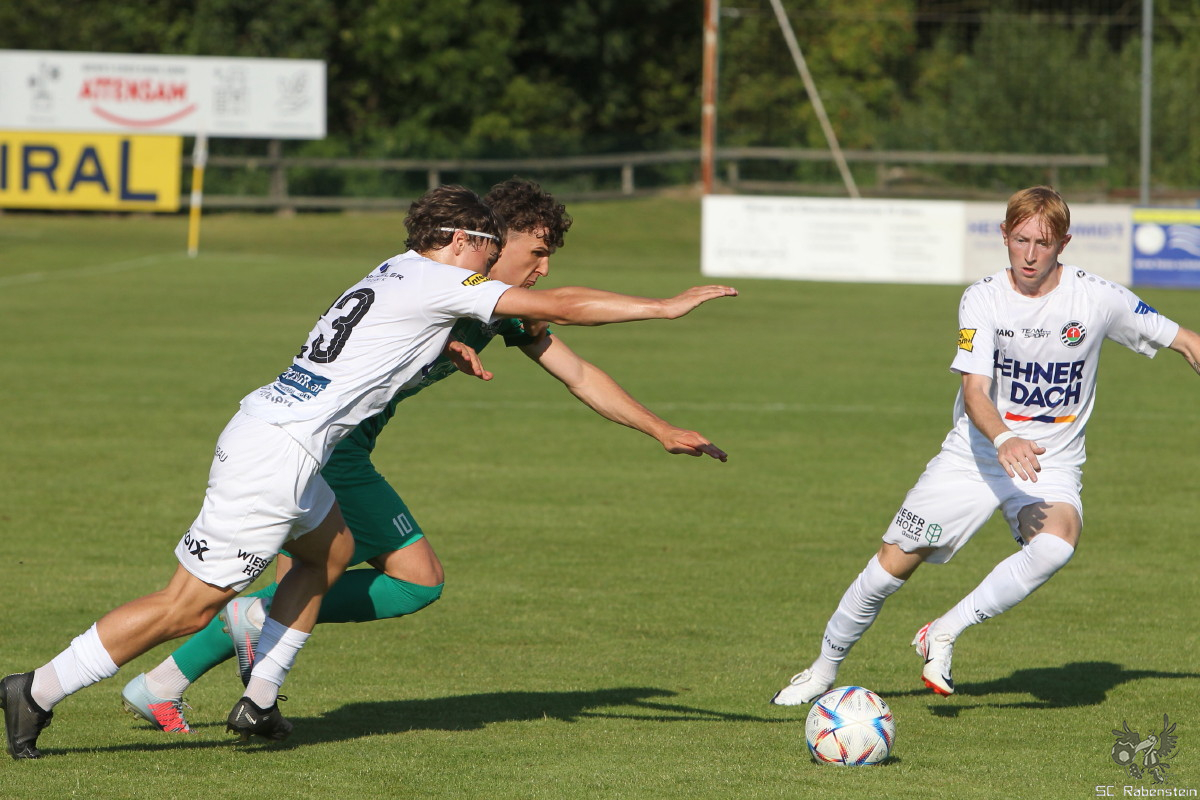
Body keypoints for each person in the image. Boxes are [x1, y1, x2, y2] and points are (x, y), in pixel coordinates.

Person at [1, 184, 738, 759]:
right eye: (495, 247)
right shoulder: (445, 282)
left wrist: (442, 345)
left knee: (330, 553)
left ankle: (261, 696)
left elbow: (423, 330)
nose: (503, 263)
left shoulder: (402, 270)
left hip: (283, 438)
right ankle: (36, 689)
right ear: (465, 241)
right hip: (279, 453)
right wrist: (663, 308)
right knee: (185, 607)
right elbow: (563, 306)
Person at [771, 185, 1200, 706]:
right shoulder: (983, 298)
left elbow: (1186, 340)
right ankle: (822, 670)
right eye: (1020, 240)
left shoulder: (1098, 298)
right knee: (889, 569)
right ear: (1004, 235)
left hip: (1049, 463)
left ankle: (944, 631)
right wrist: (1004, 437)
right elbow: (974, 392)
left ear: (1064, 243)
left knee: (1056, 544)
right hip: (975, 455)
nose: (1030, 254)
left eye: (1043, 243)